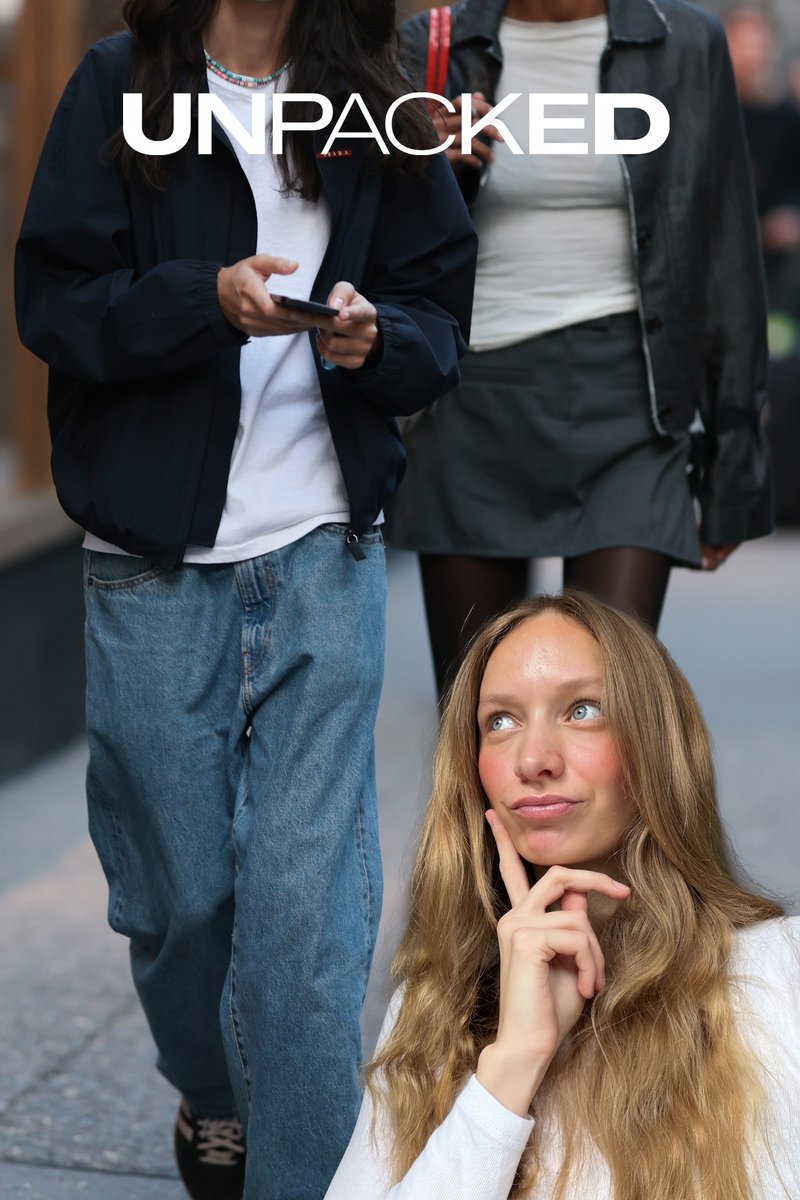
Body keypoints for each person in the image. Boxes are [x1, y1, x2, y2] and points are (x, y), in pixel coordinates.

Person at [14, 2, 477, 1198]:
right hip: (155, 561)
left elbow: (437, 306)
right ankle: (211, 1089)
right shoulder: (123, 83)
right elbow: (54, 305)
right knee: (177, 901)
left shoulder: (367, 97)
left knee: (305, 930)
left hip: (324, 547)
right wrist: (200, 304)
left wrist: (378, 341)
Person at [325, 590, 800, 1199]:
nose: (533, 758)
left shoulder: (773, 974)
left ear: (655, 744)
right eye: (500, 721)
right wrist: (512, 1065)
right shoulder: (432, 1008)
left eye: (582, 711)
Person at [390, 0, 774, 701]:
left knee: (610, 708)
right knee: (485, 715)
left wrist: (734, 464)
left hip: (634, 402)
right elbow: (385, 243)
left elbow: (723, 249)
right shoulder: (433, 45)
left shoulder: (682, 42)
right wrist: (445, 172)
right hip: (475, 401)